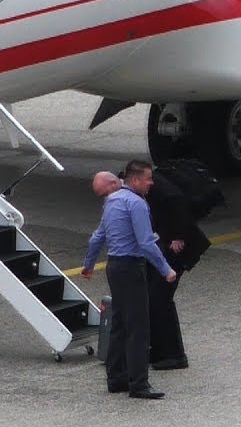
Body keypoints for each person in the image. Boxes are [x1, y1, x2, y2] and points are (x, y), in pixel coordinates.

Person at [82, 161, 177, 400]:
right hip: (131, 268)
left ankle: (116, 378)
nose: (151, 183)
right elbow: (145, 242)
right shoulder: (136, 204)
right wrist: (166, 269)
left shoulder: (111, 202)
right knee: (138, 328)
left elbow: (97, 238)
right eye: (148, 179)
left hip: (114, 267)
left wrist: (89, 265)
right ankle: (139, 383)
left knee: (119, 325)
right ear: (135, 181)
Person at [145, 167, 211, 370]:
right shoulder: (143, 190)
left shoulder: (156, 188)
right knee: (153, 298)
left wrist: (178, 235)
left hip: (177, 249)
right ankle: (158, 350)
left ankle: (175, 354)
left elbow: (177, 200)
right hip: (164, 246)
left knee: (159, 298)